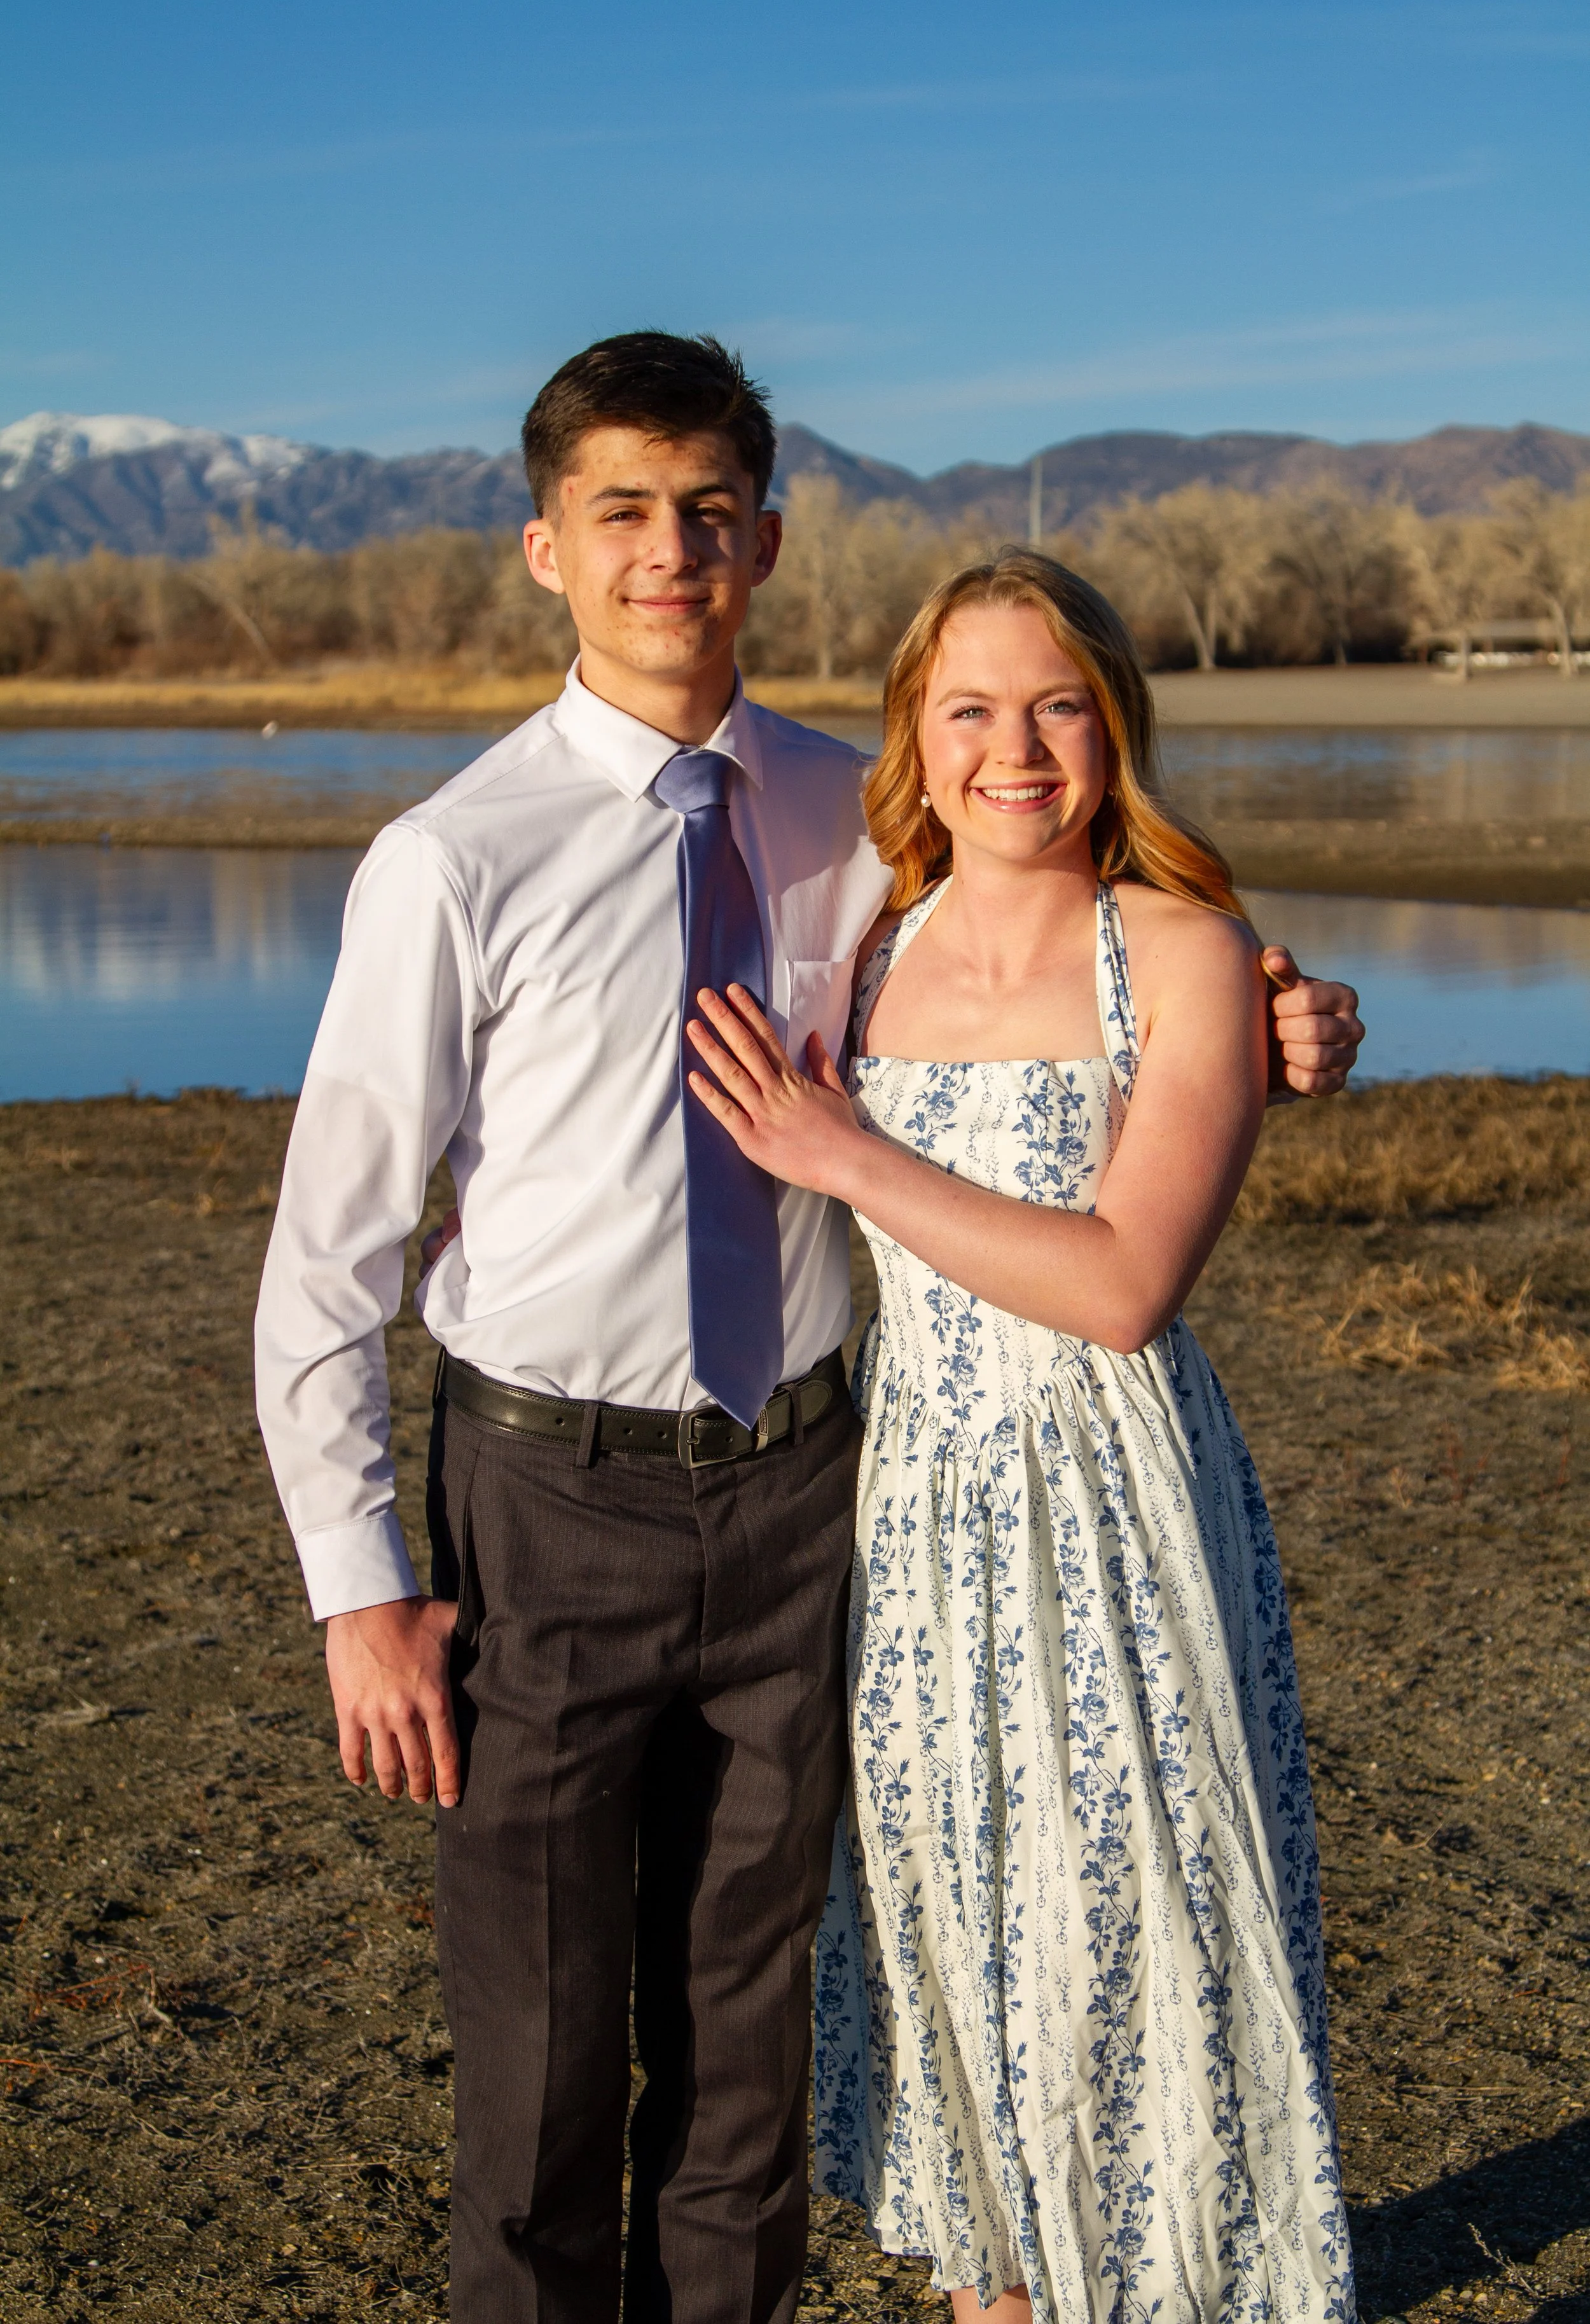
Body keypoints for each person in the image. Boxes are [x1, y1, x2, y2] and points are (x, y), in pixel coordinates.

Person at [254, 333, 1364, 2324]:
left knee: (747, 2056)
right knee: (533, 2068)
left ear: (766, 536)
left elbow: (1065, 935)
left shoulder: (859, 829)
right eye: (621, 513)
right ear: (544, 550)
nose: (667, 552)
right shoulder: (451, 856)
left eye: (705, 512)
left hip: (814, 1497)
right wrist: (360, 1585)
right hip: (547, 1499)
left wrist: (1281, 1014)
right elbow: (327, 1255)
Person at [682, 552, 1353, 2324]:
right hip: (906, 1513)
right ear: (912, 729)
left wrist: (848, 1157)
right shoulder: (870, 943)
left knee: (1136, 1937)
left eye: (1055, 702)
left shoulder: (1185, 953)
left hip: (1110, 1499)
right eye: (968, 706)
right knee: (956, 1945)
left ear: (1111, 722)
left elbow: (1125, 1279)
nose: (1015, 747)